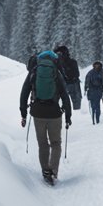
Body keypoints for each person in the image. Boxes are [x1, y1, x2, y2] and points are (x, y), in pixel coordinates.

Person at [19, 49, 73, 185]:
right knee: (56, 143)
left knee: (43, 144)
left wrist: (23, 114)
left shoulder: (34, 72)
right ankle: (53, 170)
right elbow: (65, 96)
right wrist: (68, 116)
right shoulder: (56, 73)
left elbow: (24, 92)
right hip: (54, 112)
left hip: (38, 113)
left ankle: (45, 171)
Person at [55, 45, 82, 110]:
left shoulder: (57, 63)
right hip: (71, 84)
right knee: (76, 103)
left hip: (69, 84)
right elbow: (76, 74)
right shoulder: (72, 62)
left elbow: (76, 74)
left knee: (73, 103)